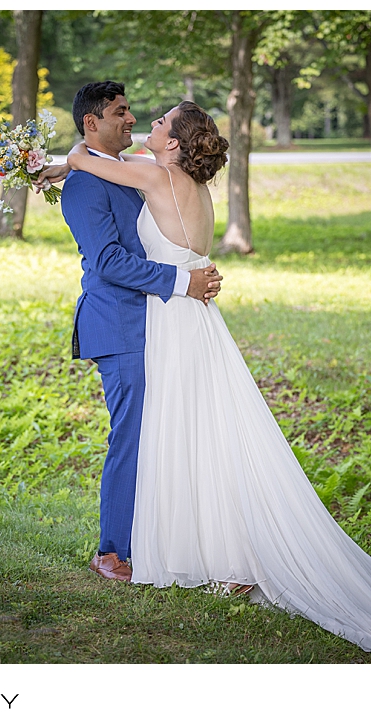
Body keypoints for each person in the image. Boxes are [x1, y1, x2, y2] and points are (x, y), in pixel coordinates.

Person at [36, 100, 371, 664]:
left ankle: (195, 552)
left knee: (177, 433)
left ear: (176, 145)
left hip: (174, 320)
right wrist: (70, 167)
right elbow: (107, 163)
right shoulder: (186, 183)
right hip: (200, 323)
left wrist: (61, 160)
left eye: (159, 122)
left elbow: (93, 158)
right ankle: (218, 552)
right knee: (210, 435)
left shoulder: (152, 174)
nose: (148, 125)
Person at [56, 82, 223, 583]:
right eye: (121, 113)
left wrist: (68, 158)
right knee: (131, 436)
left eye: (137, 115)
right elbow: (107, 261)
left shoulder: (141, 173)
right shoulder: (87, 184)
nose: (132, 120)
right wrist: (184, 278)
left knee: (170, 434)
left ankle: (177, 541)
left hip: (164, 322)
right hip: (121, 323)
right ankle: (113, 551)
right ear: (92, 122)